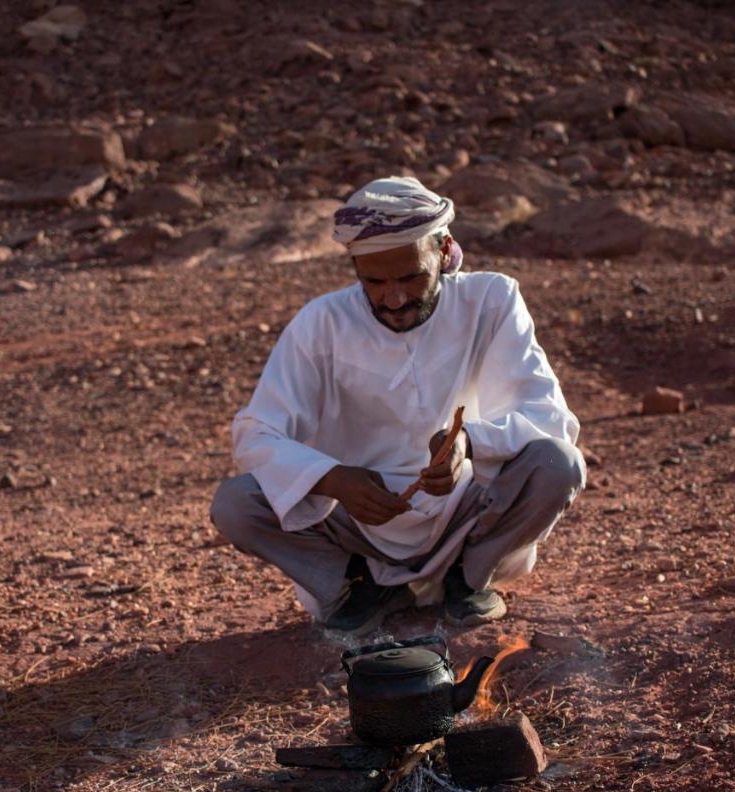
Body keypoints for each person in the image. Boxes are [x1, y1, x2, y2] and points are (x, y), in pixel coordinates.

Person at [210, 176, 585, 635]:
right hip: (355, 521)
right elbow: (256, 432)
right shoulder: (321, 323)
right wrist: (333, 479)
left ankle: (467, 580)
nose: (394, 297)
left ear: (444, 251)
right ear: (355, 269)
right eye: (375, 281)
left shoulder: (491, 299)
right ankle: (358, 583)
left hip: (463, 508)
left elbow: (547, 414)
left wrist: (468, 443)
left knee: (558, 463)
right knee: (236, 504)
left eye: (411, 277)